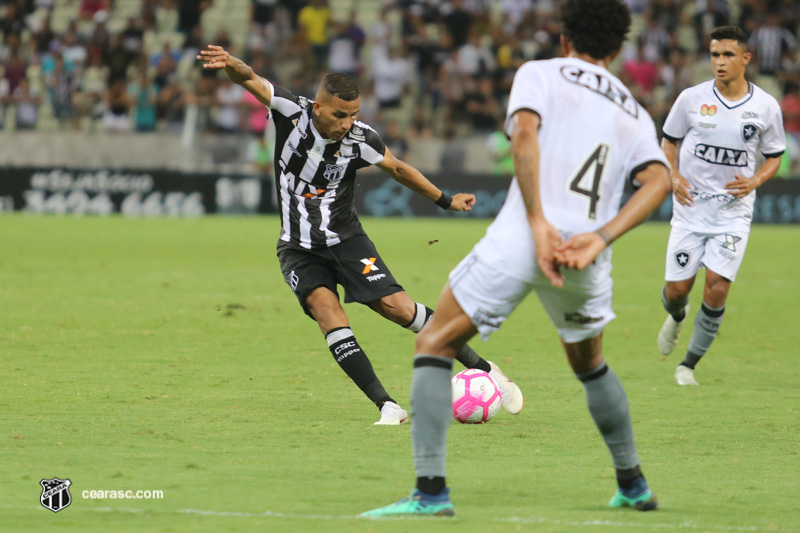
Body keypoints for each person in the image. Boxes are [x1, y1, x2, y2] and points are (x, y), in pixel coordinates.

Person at [361, 0, 671, 517]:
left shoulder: (540, 72)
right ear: (618, 49)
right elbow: (660, 181)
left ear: (565, 39)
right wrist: (600, 238)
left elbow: (524, 136)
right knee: (591, 364)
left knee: (436, 341)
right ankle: (633, 484)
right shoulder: (635, 112)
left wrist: (536, 221)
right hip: (583, 251)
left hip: (524, 236)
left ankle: (431, 494)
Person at [196, 45, 524, 425]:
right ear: (318, 108)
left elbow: (399, 170)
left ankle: (487, 370)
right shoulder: (290, 110)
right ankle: (388, 406)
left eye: (353, 115)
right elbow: (249, 79)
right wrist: (232, 64)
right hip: (298, 248)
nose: (347, 123)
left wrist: (446, 200)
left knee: (398, 309)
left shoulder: (361, 139)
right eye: (339, 115)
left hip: (348, 240)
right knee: (326, 310)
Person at [657, 26, 785, 386]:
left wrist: (756, 180)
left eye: (728, 55)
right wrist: (674, 175)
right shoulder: (691, 99)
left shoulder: (764, 106)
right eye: (715, 55)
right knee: (675, 292)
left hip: (733, 213)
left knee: (716, 288)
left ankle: (688, 366)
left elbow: (775, 155)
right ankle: (676, 315)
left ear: (746, 58)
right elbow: (668, 142)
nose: (720, 62)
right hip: (690, 208)